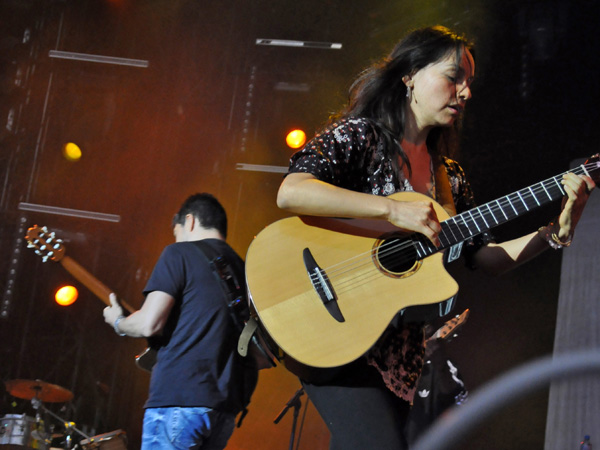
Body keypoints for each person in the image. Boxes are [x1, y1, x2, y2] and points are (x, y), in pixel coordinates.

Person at [276, 25, 595, 449]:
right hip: (337, 325)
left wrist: (555, 230)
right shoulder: (362, 137)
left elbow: (488, 258)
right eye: (453, 77)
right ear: (409, 74)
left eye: (469, 84)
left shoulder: (451, 180)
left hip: (400, 362)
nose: (464, 92)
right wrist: (392, 208)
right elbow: (292, 191)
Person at [103, 193, 258, 450]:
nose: (175, 240)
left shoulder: (180, 253)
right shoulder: (244, 271)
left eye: (177, 233)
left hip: (178, 403)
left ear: (190, 221)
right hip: (224, 409)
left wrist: (118, 322)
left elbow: (149, 324)